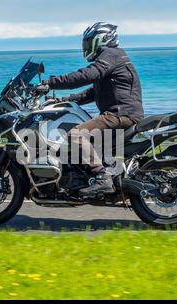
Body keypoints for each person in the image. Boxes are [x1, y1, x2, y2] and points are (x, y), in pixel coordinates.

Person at [36, 22, 144, 197]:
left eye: (88, 42)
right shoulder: (114, 57)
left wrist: (50, 82)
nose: (85, 47)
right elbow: (92, 92)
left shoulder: (110, 54)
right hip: (123, 113)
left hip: (120, 114)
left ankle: (102, 177)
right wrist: (64, 100)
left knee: (77, 134)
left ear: (100, 39)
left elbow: (86, 75)